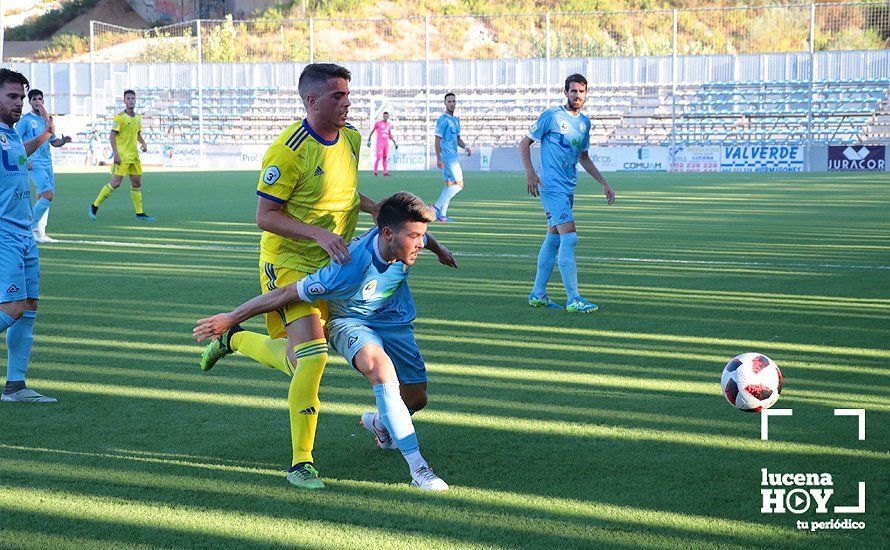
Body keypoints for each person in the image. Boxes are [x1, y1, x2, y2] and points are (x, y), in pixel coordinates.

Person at [194, 192, 456, 491]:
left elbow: (419, 231)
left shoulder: (404, 239)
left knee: (416, 398)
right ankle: (419, 469)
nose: (420, 242)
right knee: (380, 369)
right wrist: (233, 315)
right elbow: (285, 294)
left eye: (422, 236)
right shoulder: (347, 267)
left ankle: (381, 425)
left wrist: (439, 249)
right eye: (415, 237)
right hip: (352, 324)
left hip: (396, 323)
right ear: (387, 234)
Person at [199, 63, 378, 490]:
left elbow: (344, 192)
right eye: (337, 96)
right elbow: (266, 216)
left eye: (348, 94)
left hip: (331, 264)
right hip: (288, 261)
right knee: (314, 358)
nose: (347, 102)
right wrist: (318, 233)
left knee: (299, 360)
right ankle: (301, 463)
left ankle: (233, 339)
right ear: (311, 101)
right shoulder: (288, 149)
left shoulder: (351, 138)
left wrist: (374, 208)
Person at [519, 73, 616, 313]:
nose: (577, 95)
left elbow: (583, 157)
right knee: (569, 238)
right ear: (565, 92)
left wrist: (604, 183)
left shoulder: (584, 123)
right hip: (551, 185)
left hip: (568, 186)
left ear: (586, 93)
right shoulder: (551, 116)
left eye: (581, 91)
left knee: (553, 238)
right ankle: (574, 299)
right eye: (573, 91)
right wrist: (530, 172)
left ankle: (538, 294)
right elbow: (524, 143)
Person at [0, 68, 58, 403]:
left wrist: (46, 135)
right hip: (4, 233)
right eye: (12, 96)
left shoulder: (8, 134)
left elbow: (20, 154)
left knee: (29, 306)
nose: (19, 103)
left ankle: (15, 386)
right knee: (12, 307)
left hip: (23, 233)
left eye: (21, 97)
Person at [15, 89, 72, 243]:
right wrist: (23, 160)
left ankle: (41, 232)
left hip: (47, 162)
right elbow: (17, 141)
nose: (38, 101)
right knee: (48, 194)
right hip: (34, 162)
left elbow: (53, 141)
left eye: (40, 98)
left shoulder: (47, 120)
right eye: (35, 99)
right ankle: (30, 227)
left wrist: (64, 141)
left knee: (43, 197)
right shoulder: (26, 120)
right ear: (30, 102)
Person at [88, 89, 155, 222]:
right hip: (122, 156)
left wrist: (144, 143)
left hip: (134, 157)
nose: (131, 101)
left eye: (133, 98)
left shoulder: (138, 117)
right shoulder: (119, 117)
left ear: (135, 100)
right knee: (115, 183)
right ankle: (94, 206)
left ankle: (140, 213)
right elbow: (112, 136)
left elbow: (137, 133)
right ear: (124, 101)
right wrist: (116, 154)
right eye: (128, 98)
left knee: (136, 183)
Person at [432, 93, 471, 222]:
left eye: (454, 101)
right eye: (449, 101)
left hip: (453, 156)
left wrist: (465, 147)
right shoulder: (442, 120)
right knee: (459, 185)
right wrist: (438, 157)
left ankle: (442, 215)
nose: (452, 104)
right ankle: (435, 207)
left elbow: (457, 138)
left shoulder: (455, 120)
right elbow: (437, 140)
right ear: (445, 103)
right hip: (448, 157)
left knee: (450, 184)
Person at [367, 111, 397, 176]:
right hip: (380, 143)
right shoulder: (378, 123)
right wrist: (369, 140)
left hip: (386, 143)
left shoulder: (389, 125)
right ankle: (375, 171)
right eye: (385, 116)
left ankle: (385, 172)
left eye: (387, 116)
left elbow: (389, 135)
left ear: (388, 117)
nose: (386, 117)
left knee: (385, 157)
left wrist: (394, 142)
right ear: (383, 116)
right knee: (378, 157)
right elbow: (372, 131)